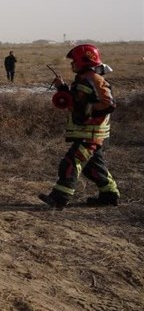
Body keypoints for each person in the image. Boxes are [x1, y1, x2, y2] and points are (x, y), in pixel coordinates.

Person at [39, 44, 120, 210]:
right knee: (92, 167)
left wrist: (87, 110)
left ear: (85, 61)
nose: (72, 65)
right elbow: (77, 100)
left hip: (91, 134)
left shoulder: (94, 79)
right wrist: (62, 88)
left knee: (70, 163)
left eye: (74, 61)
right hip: (88, 133)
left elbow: (108, 104)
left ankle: (59, 198)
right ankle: (109, 195)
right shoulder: (85, 79)